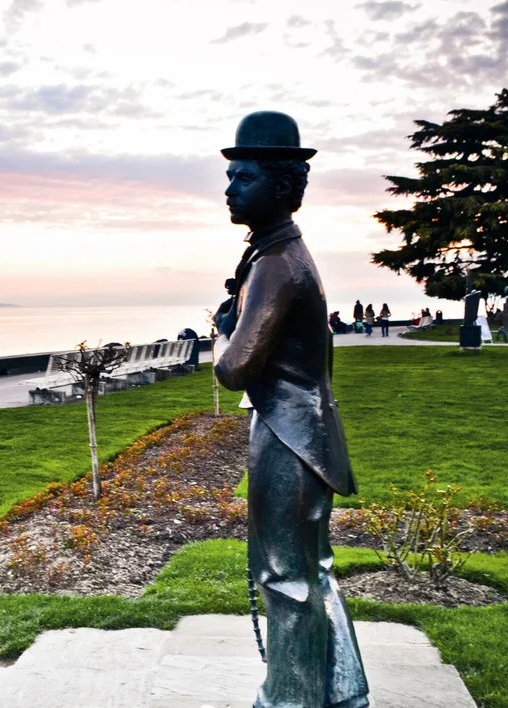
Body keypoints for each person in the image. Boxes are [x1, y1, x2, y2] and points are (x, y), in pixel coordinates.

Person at [212, 111, 369, 708]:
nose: (229, 189)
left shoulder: (277, 265)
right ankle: (344, 693)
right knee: (313, 569)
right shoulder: (276, 253)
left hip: (289, 434)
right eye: (229, 177)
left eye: (242, 177)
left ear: (281, 186)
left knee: (285, 578)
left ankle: (291, 700)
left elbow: (234, 371)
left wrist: (221, 334)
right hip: (304, 430)